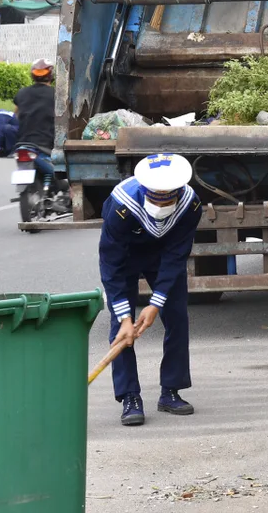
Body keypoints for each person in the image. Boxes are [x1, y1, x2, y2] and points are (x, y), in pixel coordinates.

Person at [99, 153, 202, 426]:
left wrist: (155, 303)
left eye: (168, 197)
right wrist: (125, 317)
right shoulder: (121, 205)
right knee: (120, 326)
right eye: (156, 196)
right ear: (145, 190)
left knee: (177, 316)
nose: (162, 202)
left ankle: (171, 390)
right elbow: (112, 265)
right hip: (126, 256)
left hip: (164, 256)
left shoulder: (190, 205)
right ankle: (130, 397)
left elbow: (176, 257)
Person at [14, 58, 57, 186]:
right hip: (46, 144)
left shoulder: (22, 93)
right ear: (51, 75)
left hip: (23, 143)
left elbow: (16, 115)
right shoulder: (56, 94)